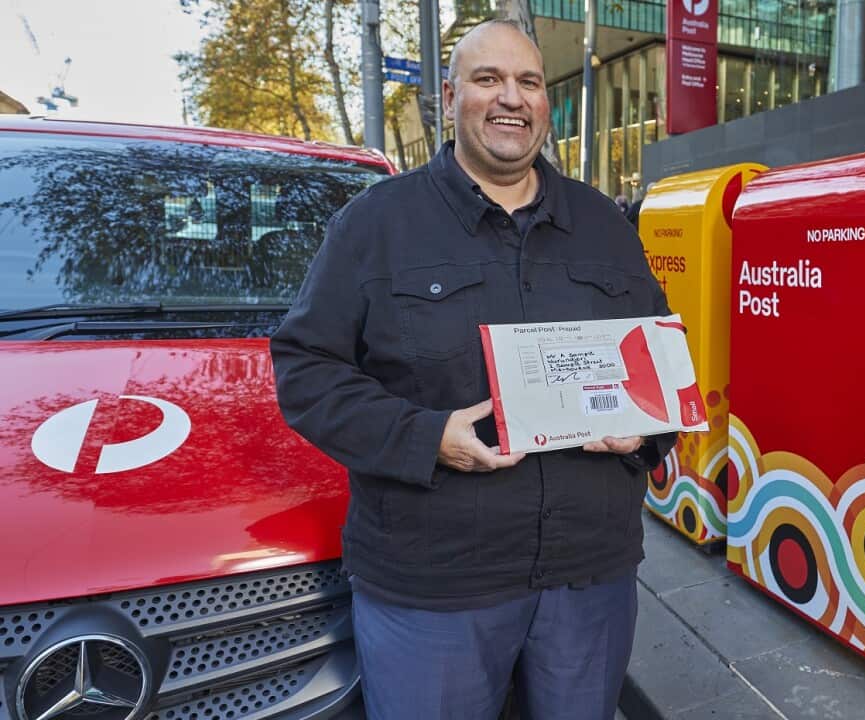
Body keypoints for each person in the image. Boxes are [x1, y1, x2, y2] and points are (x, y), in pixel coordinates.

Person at [270, 19, 674, 720]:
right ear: (450, 97)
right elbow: (306, 370)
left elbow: (662, 366)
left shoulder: (605, 225)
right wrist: (425, 438)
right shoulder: (374, 224)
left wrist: (644, 433)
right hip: (434, 591)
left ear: (545, 102)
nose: (510, 98)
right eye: (488, 79)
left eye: (528, 82)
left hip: (589, 580)